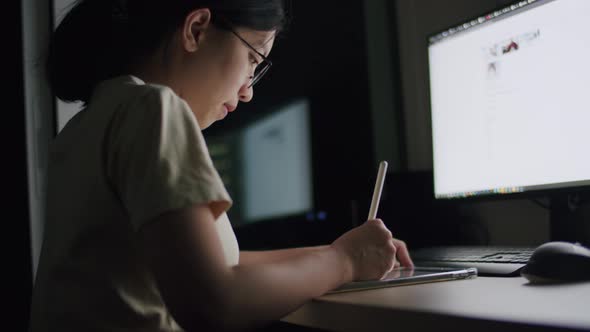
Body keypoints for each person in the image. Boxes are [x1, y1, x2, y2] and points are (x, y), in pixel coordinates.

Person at [28, 0, 414, 331]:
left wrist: (340, 252)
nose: (248, 91)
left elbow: (209, 263)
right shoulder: (153, 110)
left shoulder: (90, 122)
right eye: (252, 58)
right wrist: (343, 262)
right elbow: (215, 300)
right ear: (196, 29)